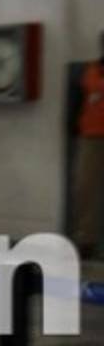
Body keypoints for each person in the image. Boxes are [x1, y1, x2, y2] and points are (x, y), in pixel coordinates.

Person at [73, 31, 104, 259]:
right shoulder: (90, 71)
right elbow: (78, 100)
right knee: (86, 189)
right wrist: (74, 125)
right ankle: (86, 240)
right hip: (91, 137)